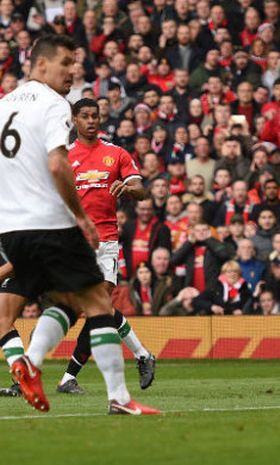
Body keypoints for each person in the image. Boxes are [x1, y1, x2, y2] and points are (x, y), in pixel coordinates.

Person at [0, 35, 157, 415]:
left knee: (66, 302)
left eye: (75, 62)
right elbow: (57, 164)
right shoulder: (54, 104)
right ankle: (119, 398)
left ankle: (28, 365)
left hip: (12, 230)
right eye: (65, 62)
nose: (73, 70)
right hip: (50, 224)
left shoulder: (4, 106)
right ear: (40, 65)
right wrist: (82, 217)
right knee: (98, 303)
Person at [57, 98, 156, 395]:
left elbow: (141, 189)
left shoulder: (117, 154)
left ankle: (68, 378)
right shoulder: (65, 157)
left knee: (99, 306)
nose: (91, 121)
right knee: (98, 309)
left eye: (95, 116)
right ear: (75, 120)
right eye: (85, 116)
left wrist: (128, 187)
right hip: (76, 244)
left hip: (106, 241)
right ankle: (141, 354)